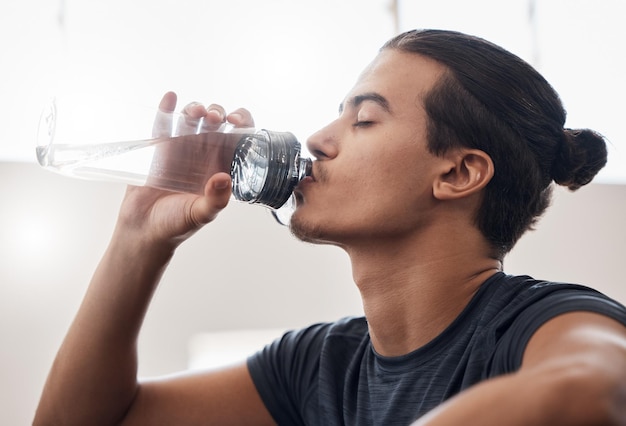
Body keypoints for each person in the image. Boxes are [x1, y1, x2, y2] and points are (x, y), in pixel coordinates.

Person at [34, 29, 626, 425]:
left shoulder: (541, 322)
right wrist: (139, 238)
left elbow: (594, 387)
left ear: (459, 172)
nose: (318, 139)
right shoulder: (322, 366)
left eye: (364, 119)